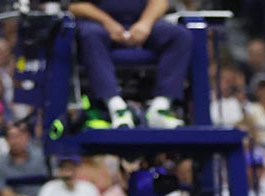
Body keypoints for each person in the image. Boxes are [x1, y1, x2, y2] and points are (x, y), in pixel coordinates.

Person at [67, 0, 192, 129]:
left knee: (180, 36)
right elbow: (75, 6)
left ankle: (160, 108)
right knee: (89, 34)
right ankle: (115, 108)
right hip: (98, 25)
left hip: (141, 24)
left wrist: (145, 23)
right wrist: (108, 23)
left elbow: (160, 2)